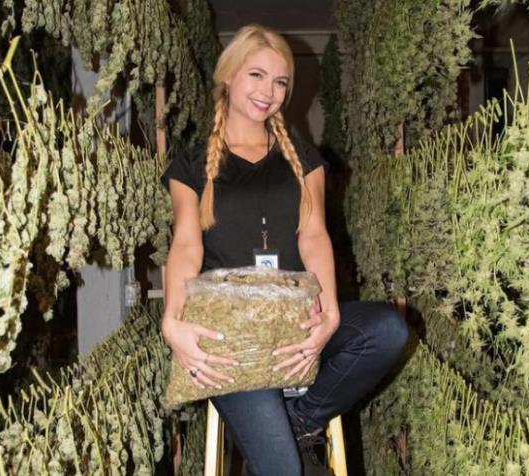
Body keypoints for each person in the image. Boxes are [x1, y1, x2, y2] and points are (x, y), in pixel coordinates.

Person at [160, 24, 409, 476]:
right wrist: (172, 320)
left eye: (280, 82)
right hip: (233, 342)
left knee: (388, 330)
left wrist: (329, 312)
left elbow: (313, 236)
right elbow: (185, 245)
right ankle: (290, 440)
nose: (269, 92)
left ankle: (299, 421)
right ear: (228, 76)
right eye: (256, 75)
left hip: (295, 325)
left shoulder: (304, 159)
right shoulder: (191, 165)